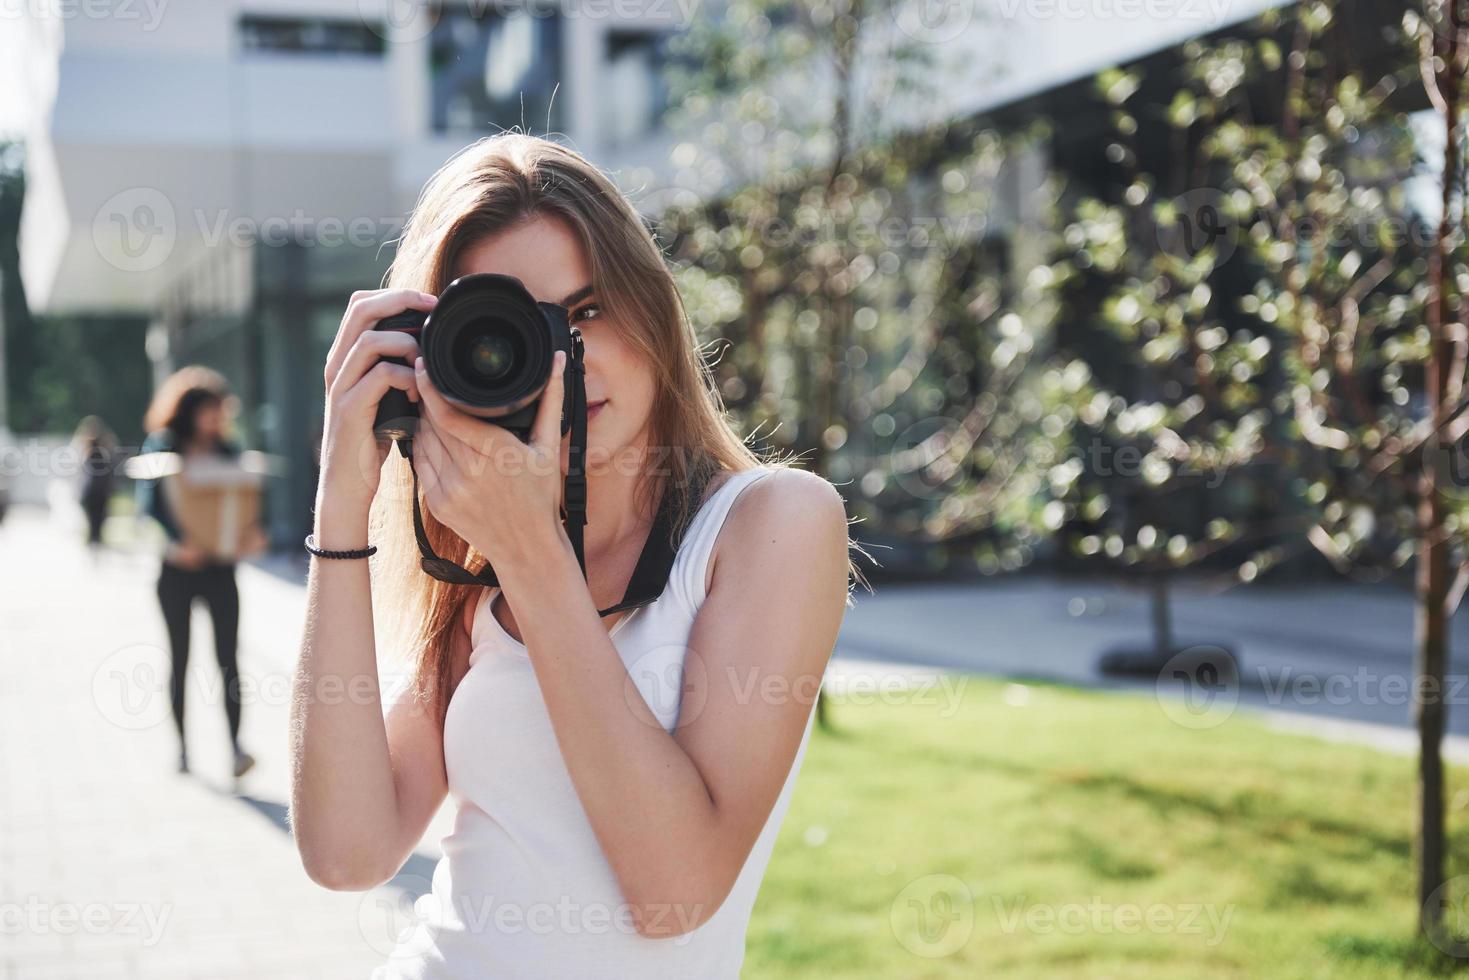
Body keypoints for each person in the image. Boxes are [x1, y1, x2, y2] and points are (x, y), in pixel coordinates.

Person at [289, 134, 854, 977]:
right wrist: (341, 502)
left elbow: (675, 892)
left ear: (652, 308)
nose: (566, 360)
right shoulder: (474, 577)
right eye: (516, 330)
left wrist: (531, 553)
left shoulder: (772, 522)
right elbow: (346, 855)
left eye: (587, 311)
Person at [136, 366, 265, 778]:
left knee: (228, 659)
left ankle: (234, 747)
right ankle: (183, 750)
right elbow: (148, 505)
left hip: (220, 570)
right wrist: (177, 540)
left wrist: (252, 535)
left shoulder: (230, 451)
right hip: (177, 571)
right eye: (207, 412)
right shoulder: (162, 448)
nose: (214, 420)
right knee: (180, 657)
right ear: (188, 412)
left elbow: (246, 501)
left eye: (218, 412)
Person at [74, 415, 116, 559]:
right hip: (94, 490)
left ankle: (95, 544)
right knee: (94, 519)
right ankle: (93, 544)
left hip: (99, 490)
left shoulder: (104, 445)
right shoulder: (87, 446)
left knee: (98, 519)